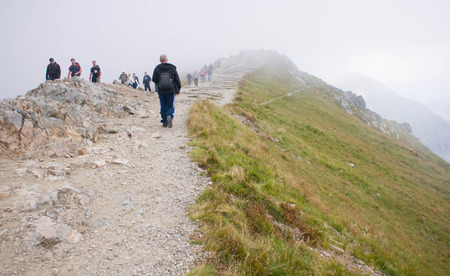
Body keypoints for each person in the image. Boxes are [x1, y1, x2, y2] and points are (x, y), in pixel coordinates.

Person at [152, 54, 181, 128]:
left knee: (163, 106)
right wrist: (178, 89)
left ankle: (164, 121)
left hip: (161, 91)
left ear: (160, 60)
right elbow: (177, 79)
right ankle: (169, 116)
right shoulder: (172, 68)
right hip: (171, 90)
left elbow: (154, 79)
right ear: (167, 60)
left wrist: (159, 82)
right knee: (170, 105)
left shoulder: (157, 68)